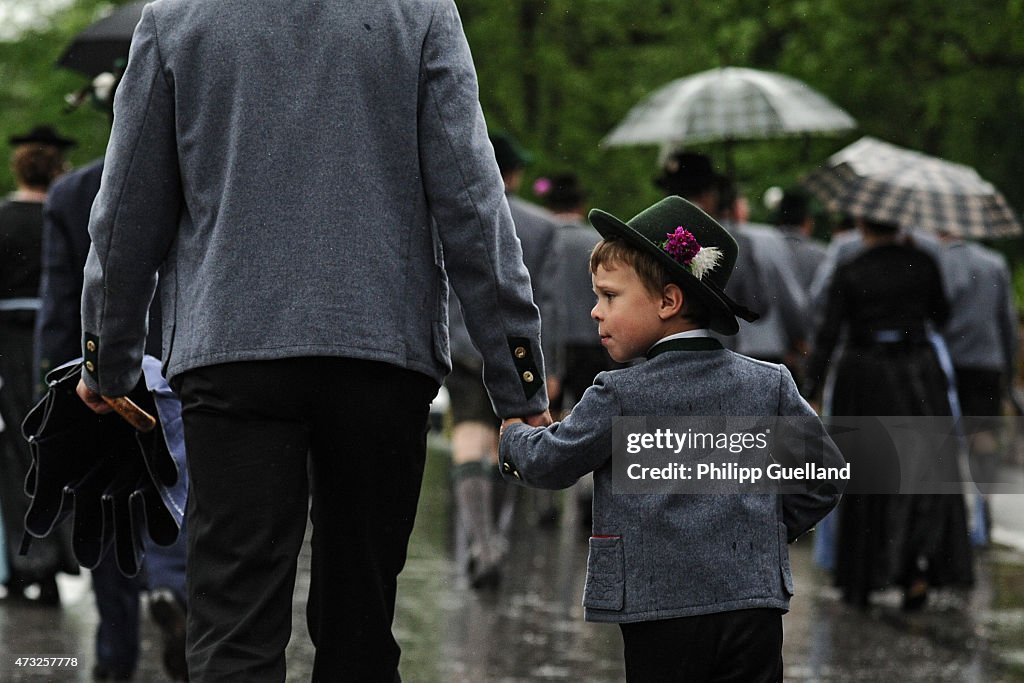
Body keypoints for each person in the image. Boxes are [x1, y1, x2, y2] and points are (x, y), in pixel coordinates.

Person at [74, 1, 550, 680]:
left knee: (234, 620)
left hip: (232, 348)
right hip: (381, 352)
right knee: (361, 618)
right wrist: (517, 375)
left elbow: (124, 213)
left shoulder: (178, 17)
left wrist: (107, 357)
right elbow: (473, 204)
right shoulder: (418, 15)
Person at [498, 196, 844, 681]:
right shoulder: (771, 385)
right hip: (753, 606)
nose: (595, 312)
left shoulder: (618, 394)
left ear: (668, 301)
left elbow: (552, 462)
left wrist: (513, 437)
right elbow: (825, 477)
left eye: (609, 296)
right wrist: (761, 530)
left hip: (658, 607)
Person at [34, 69, 188, 682]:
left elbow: (57, 302)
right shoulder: (197, 180)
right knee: (176, 496)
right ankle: (174, 589)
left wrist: (55, 384)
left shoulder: (71, 194)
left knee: (105, 502)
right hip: (181, 369)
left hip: (98, 376)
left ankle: (113, 660)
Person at [804, 216, 974, 610]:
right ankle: (916, 567)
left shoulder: (850, 269)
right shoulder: (923, 263)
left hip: (865, 377)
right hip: (917, 373)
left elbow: (829, 332)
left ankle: (862, 576)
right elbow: (943, 316)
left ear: (862, 224)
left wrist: (810, 388)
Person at [445, 131, 561, 588]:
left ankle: (482, 540)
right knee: (505, 447)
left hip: (463, 346)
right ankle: (496, 538)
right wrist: (551, 368)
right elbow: (549, 305)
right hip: (519, 353)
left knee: (468, 443)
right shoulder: (540, 227)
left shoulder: (451, 211)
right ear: (513, 173)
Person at [0, 124, 78, 605]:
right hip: (62, 348)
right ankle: (66, 556)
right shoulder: (69, 214)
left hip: (9, 348)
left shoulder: (2, 219)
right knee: (59, 452)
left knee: (15, 454)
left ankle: (30, 563)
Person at [655, 152, 808, 366]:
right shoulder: (734, 242)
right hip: (722, 361)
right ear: (710, 194)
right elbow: (757, 306)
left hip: (663, 360)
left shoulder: (652, 237)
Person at [937, 232, 1018, 546]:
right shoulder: (993, 263)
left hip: (948, 360)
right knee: (982, 436)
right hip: (986, 362)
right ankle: (982, 505)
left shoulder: (938, 261)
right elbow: (1006, 320)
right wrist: (1007, 370)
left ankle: (952, 511)